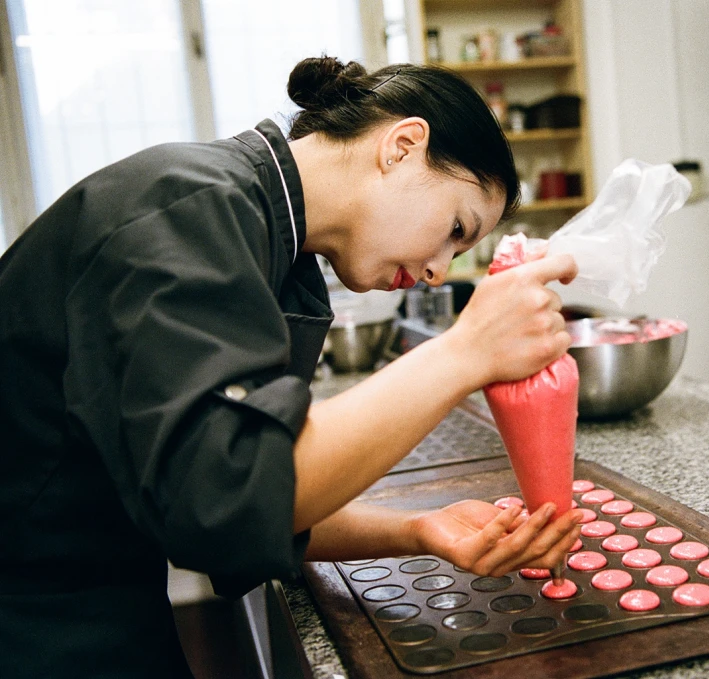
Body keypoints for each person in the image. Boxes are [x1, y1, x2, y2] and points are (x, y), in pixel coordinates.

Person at [0, 57, 582, 677]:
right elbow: (226, 493)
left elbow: (245, 488)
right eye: (455, 228)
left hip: (96, 594)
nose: (440, 268)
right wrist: (466, 350)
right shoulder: (189, 206)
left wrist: (417, 532)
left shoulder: (272, 244)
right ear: (403, 146)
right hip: (31, 617)